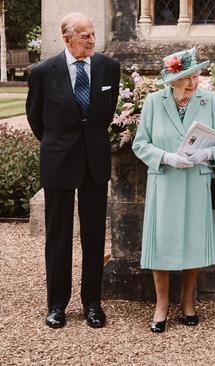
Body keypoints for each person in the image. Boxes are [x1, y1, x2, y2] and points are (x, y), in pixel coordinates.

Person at [25, 13, 120, 329]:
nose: (92, 40)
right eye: (85, 35)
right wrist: (60, 145)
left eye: (93, 34)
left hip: (95, 162)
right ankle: (56, 305)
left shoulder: (109, 68)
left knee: (94, 236)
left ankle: (92, 302)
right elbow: (36, 118)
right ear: (67, 39)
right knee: (59, 235)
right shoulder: (42, 72)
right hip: (58, 160)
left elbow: (105, 115)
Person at [132, 48, 215, 333]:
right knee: (161, 242)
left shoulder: (209, 100)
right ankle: (161, 304)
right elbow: (140, 144)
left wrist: (206, 155)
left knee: (192, 241)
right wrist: (166, 157)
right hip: (164, 179)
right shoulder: (154, 102)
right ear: (171, 80)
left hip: (196, 179)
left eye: (196, 76)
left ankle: (187, 301)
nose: (193, 83)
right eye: (186, 78)